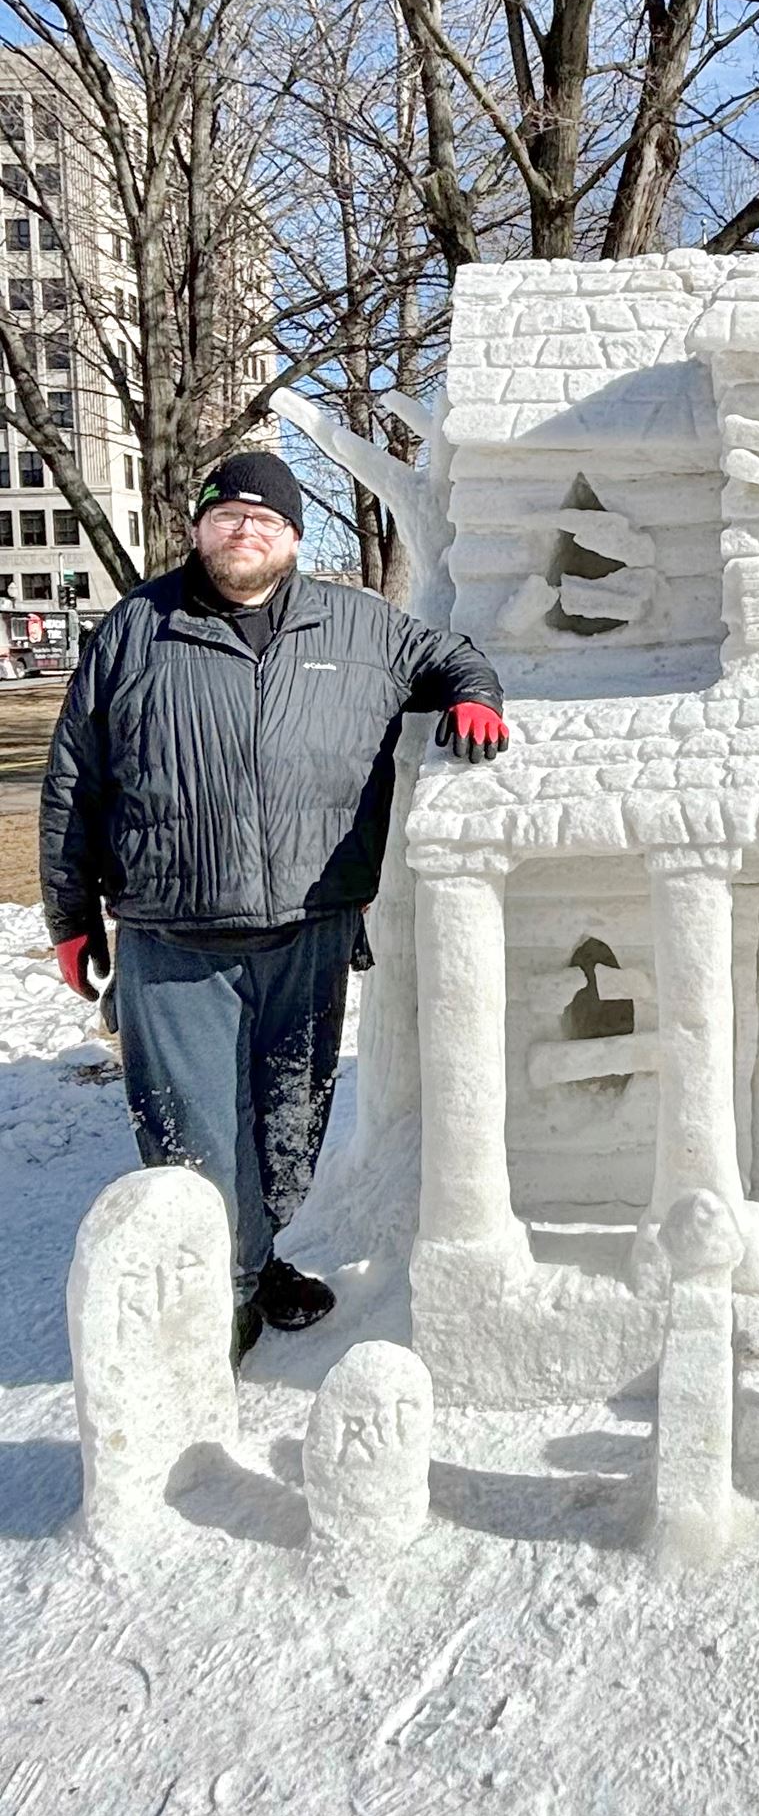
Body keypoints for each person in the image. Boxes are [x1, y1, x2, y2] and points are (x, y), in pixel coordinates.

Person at [40, 452, 510, 1361]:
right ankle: (212, 1300)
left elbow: (452, 655)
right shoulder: (136, 629)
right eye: (227, 514)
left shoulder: (358, 624)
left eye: (267, 518)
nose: (245, 528)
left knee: (287, 1129)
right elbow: (72, 782)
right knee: (194, 1137)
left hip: (310, 928)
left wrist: (474, 697)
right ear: (199, 527)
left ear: (293, 536)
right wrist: (71, 917)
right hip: (174, 937)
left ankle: (253, 1261)